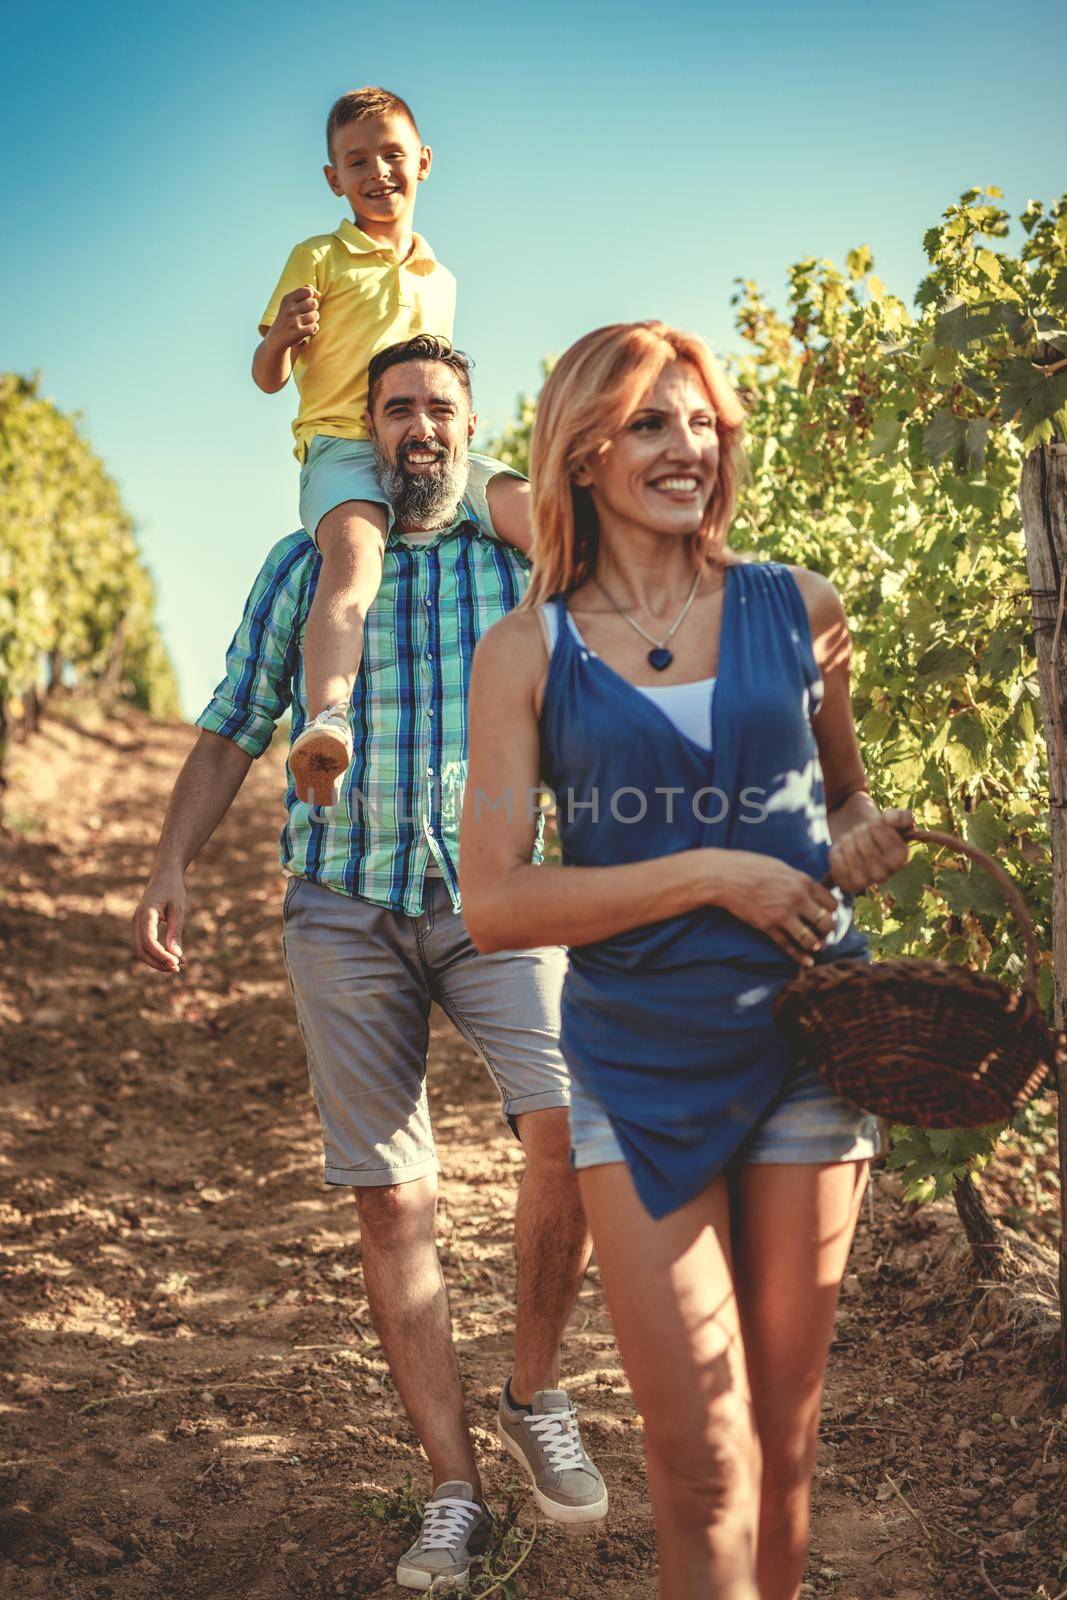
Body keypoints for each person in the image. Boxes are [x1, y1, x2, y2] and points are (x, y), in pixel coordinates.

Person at [133, 336, 607, 1593]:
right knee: (393, 1195)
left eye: (438, 408)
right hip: (342, 906)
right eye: (395, 408)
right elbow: (235, 720)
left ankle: (533, 1386)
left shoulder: (523, 562)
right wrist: (170, 862)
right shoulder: (308, 565)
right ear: (368, 428)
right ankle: (451, 1489)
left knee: (571, 1124)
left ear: (469, 427)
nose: (418, 428)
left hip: (496, 895)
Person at [459, 321, 911, 1600]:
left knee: (779, 1435)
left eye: (702, 422)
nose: (686, 448)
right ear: (585, 451)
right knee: (697, 1454)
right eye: (652, 423)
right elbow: (492, 902)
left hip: (807, 1043)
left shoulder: (794, 604)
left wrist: (859, 842)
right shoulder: (526, 653)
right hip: (634, 1062)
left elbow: (844, 804)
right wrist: (714, 874)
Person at [253, 86, 524, 806]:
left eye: (391, 154)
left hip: (425, 441)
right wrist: (281, 335)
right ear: (332, 178)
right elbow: (267, 376)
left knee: (536, 509)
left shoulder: (441, 276)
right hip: (344, 446)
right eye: (356, 160)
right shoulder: (316, 256)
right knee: (354, 562)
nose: (377, 171)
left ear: (423, 163)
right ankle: (329, 719)